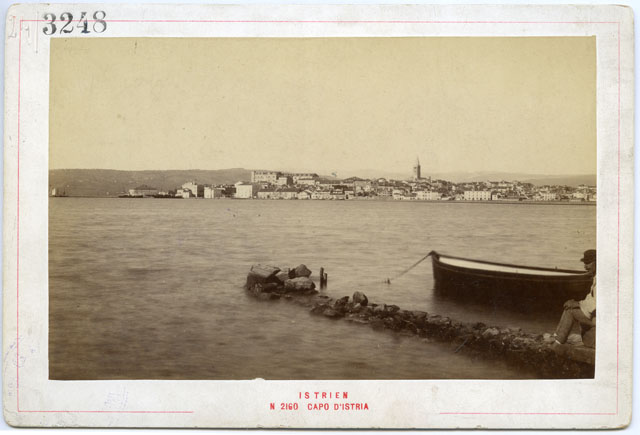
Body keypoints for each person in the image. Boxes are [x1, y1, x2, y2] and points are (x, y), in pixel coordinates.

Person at [551, 249, 596, 346]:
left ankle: (557, 342)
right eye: (584, 263)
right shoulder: (597, 277)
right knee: (569, 306)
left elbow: (597, 304)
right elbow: (591, 297)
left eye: (588, 263)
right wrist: (577, 303)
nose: (585, 266)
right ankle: (557, 337)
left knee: (570, 311)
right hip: (595, 321)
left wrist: (577, 304)